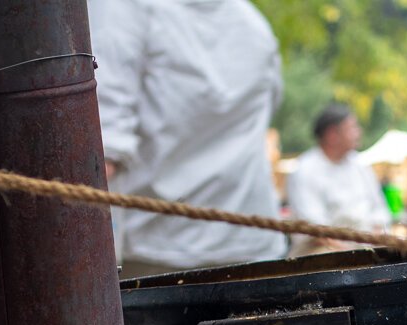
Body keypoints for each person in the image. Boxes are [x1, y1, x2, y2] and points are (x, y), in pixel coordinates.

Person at [88, 0, 287, 276]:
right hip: (254, 240)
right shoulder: (254, 23)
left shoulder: (119, 8)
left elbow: (100, 148)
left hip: (157, 252)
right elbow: (271, 107)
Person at [286, 103, 390, 254]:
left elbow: (379, 209)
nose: (358, 132)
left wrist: (378, 236)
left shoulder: (359, 165)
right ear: (332, 134)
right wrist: (352, 254)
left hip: (365, 248)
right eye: (353, 128)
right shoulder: (305, 170)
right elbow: (316, 231)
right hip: (322, 251)